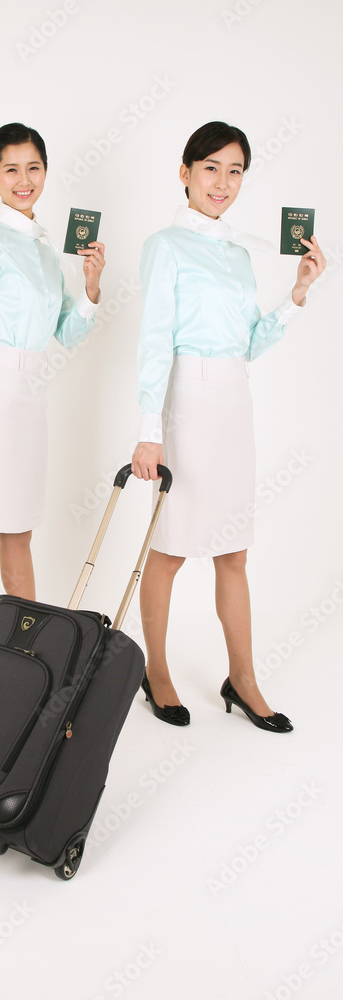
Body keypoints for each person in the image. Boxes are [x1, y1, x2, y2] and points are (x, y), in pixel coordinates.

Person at [131, 120, 326, 731]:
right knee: (170, 550)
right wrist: (148, 430)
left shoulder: (240, 254)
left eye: (235, 170)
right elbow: (154, 342)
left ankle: (243, 679)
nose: (222, 182)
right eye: (211, 168)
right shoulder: (165, 245)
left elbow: (247, 343)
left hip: (235, 403)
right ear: (185, 173)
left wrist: (297, 294)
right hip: (185, 404)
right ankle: (156, 672)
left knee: (234, 552)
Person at [0, 122, 105, 668]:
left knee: (19, 529)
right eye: (11, 169)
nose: (24, 179)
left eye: (33, 167)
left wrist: (90, 288)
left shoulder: (45, 248)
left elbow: (67, 333)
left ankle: (26, 652)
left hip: (33, 393)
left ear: (45, 172)